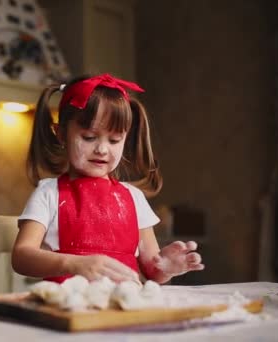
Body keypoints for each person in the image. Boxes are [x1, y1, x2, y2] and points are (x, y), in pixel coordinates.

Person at [11, 74, 205, 284]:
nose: (102, 149)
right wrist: (74, 264)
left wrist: (166, 268)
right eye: (89, 137)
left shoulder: (133, 197)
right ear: (61, 134)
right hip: (70, 308)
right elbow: (21, 256)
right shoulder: (49, 193)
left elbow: (152, 270)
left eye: (114, 140)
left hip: (124, 308)